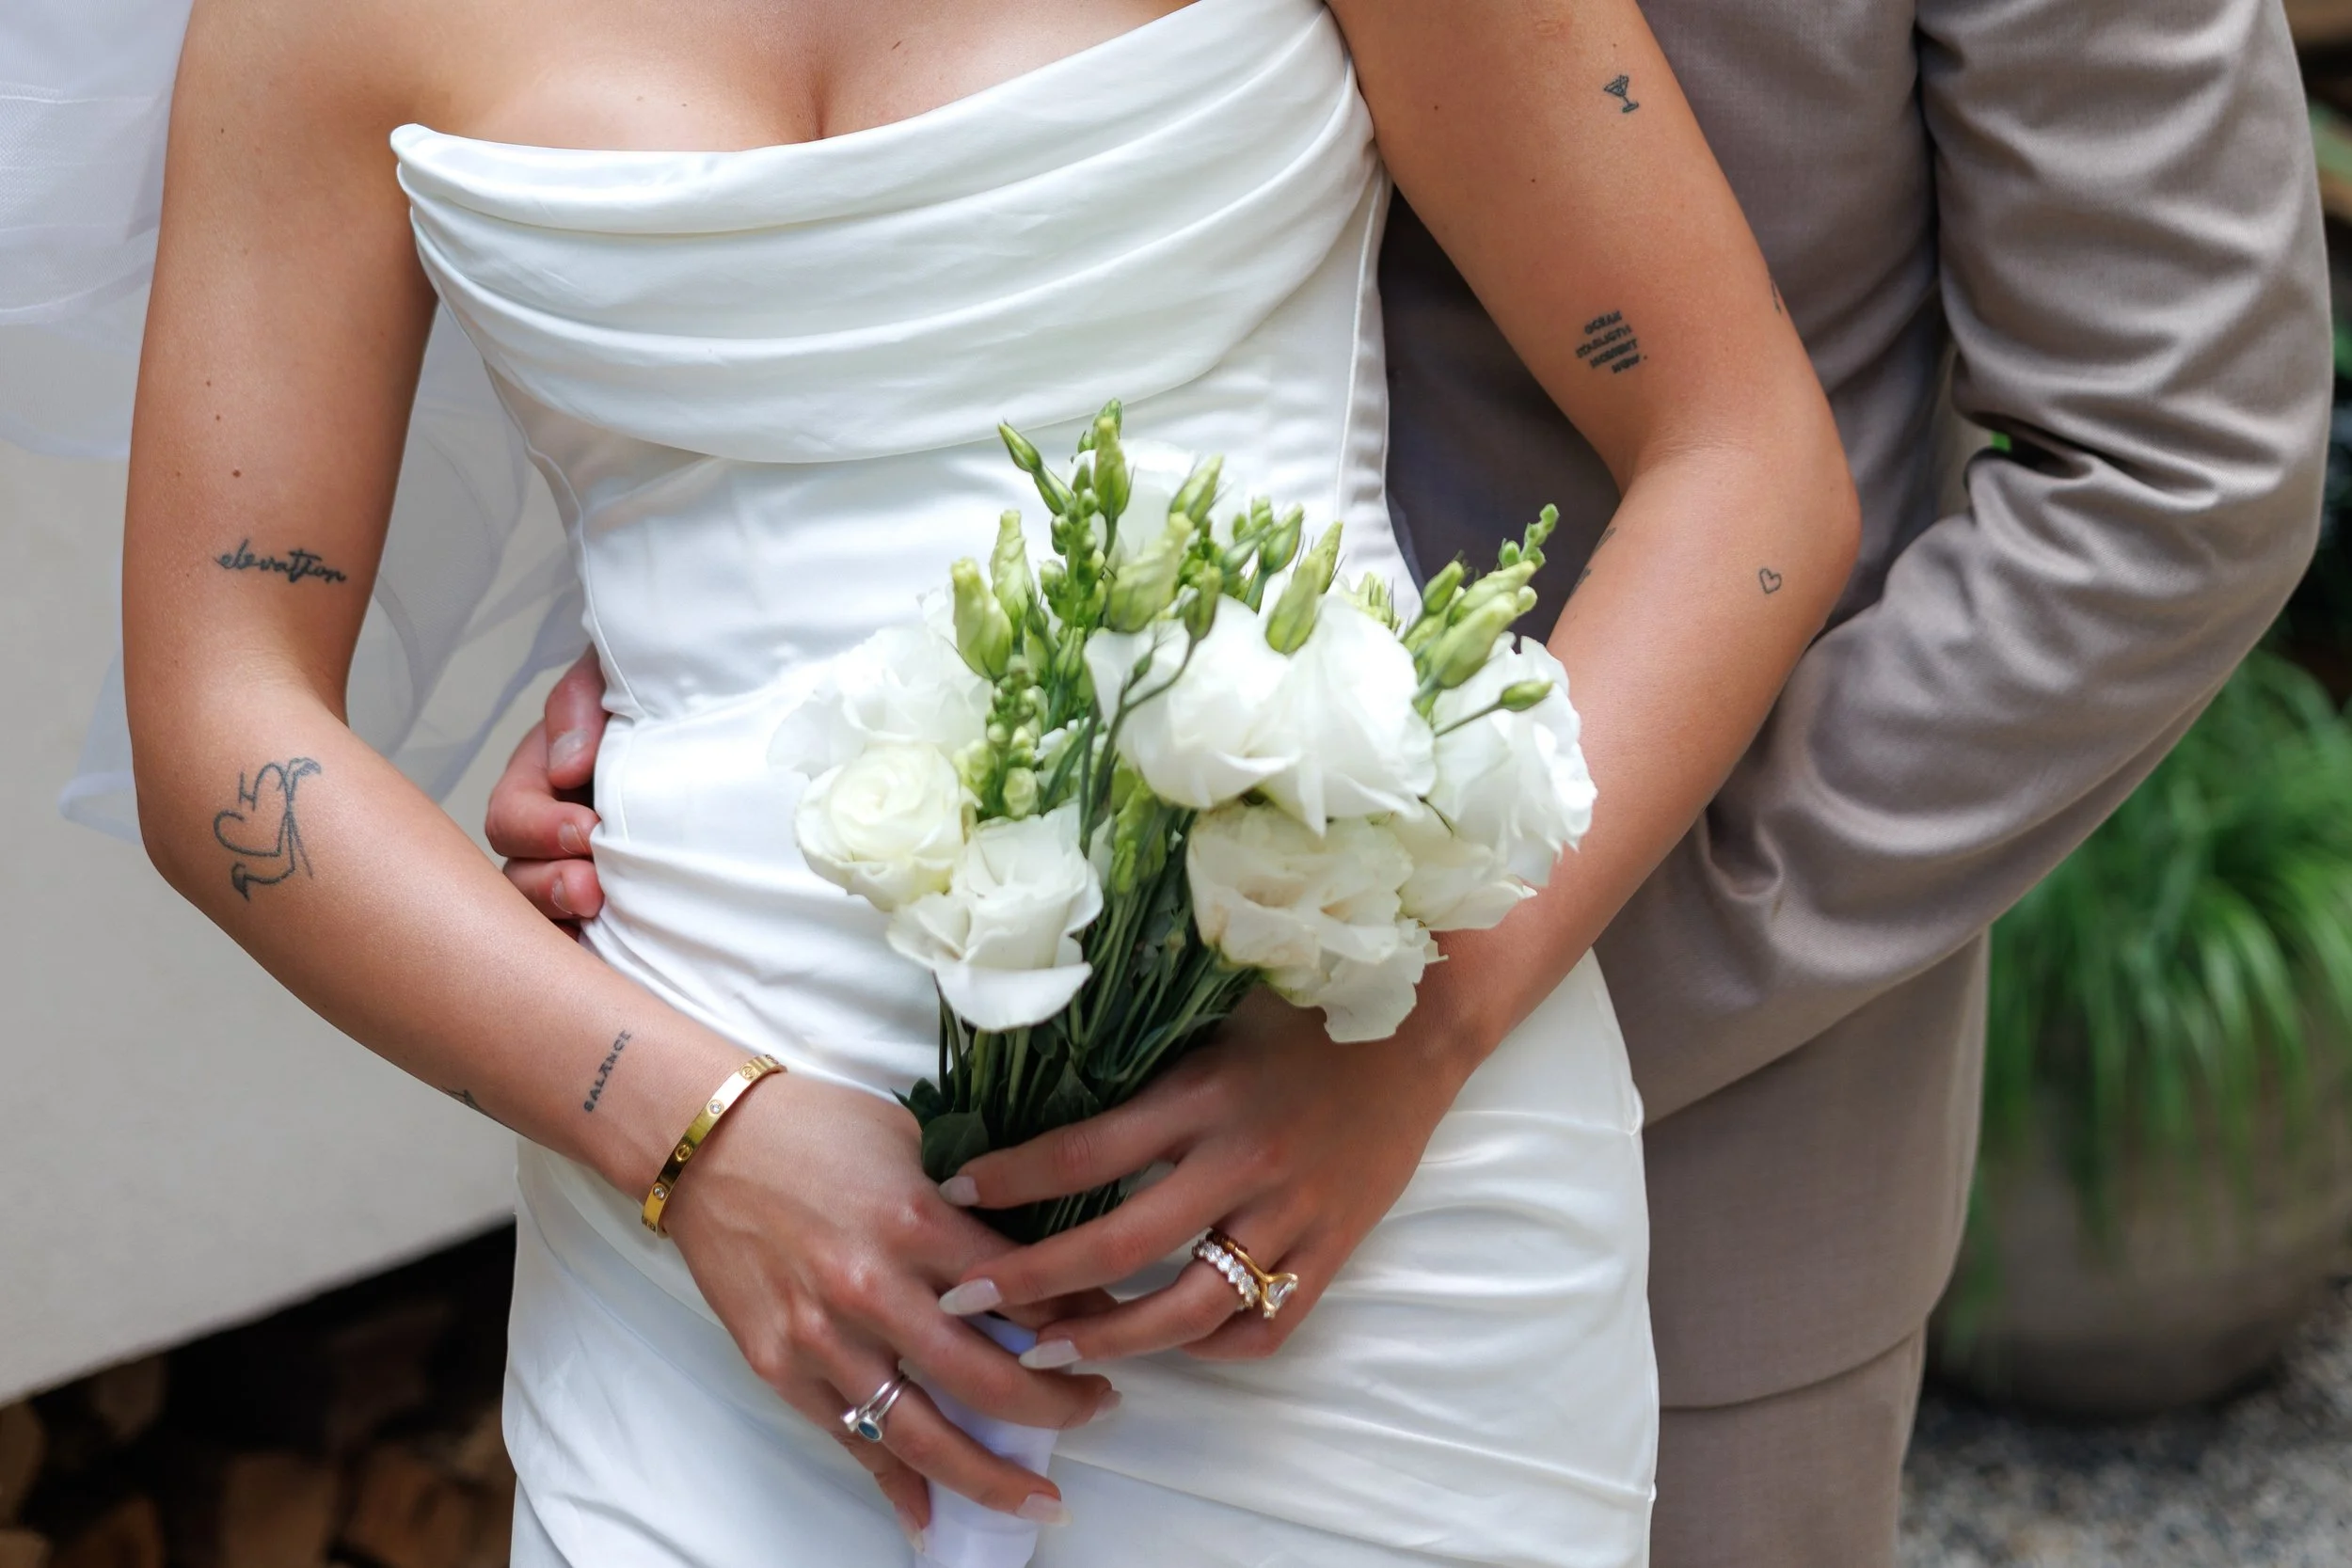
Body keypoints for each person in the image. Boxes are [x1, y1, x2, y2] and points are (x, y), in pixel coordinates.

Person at [493, 0, 2333, 1562]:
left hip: (1674, 1130)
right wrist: (711, 677)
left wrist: (1454, 994)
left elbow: (2168, 481)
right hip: (856, 1115)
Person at [101, 0, 1859, 1562]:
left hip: (1344, 1215)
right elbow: (221, 726)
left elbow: (1745, 455)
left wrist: (1417, 1040)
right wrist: (687, 1136)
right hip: (716, 1285)